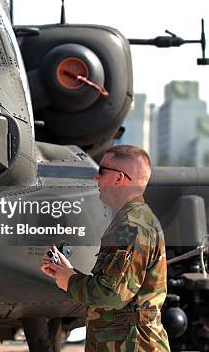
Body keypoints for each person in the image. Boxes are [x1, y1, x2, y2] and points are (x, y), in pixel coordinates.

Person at [40, 145, 170, 352]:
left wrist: (70, 282)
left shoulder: (131, 226)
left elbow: (113, 295)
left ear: (119, 179)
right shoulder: (135, 221)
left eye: (102, 172)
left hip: (129, 343)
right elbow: (115, 284)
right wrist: (70, 273)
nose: (96, 179)